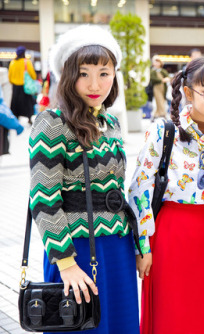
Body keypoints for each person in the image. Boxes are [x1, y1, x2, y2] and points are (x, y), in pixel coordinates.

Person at [29, 25, 142, 334]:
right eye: (84, 73)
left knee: (121, 326)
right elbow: (43, 199)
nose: (95, 84)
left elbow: (120, 192)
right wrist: (65, 263)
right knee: (82, 327)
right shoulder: (51, 123)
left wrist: (138, 247)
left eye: (105, 73)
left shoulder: (111, 122)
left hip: (117, 246)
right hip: (76, 248)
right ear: (68, 76)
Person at [130, 56, 204, 334]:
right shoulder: (163, 132)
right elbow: (138, 189)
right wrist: (142, 247)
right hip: (170, 236)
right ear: (189, 93)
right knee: (170, 314)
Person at [8, 46, 36, 124]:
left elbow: (9, 76)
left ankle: (16, 118)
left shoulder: (12, 62)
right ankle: (29, 118)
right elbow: (33, 75)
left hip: (15, 87)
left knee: (15, 103)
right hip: (25, 86)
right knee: (27, 103)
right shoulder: (26, 62)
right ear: (24, 53)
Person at [150, 55, 169, 119]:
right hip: (156, 88)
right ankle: (163, 114)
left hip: (163, 88)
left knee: (162, 100)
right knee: (159, 100)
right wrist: (162, 80)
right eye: (155, 62)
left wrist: (166, 79)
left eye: (158, 62)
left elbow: (168, 77)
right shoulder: (153, 71)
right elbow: (153, 79)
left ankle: (155, 115)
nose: (156, 63)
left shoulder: (163, 71)